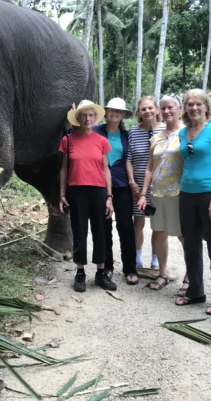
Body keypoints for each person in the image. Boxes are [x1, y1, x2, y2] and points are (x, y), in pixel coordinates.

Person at [175, 89, 211, 316]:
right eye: (189, 104)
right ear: (185, 108)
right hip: (187, 194)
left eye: (198, 103)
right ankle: (196, 291)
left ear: (206, 106)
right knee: (190, 245)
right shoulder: (183, 132)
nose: (194, 108)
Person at [59, 100, 117, 292]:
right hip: (76, 191)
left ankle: (101, 272)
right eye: (83, 115)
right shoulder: (68, 140)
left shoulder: (101, 141)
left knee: (100, 230)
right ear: (77, 118)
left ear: (95, 118)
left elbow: (106, 170)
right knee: (79, 231)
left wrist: (109, 197)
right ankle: (80, 271)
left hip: (98, 190)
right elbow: (64, 168)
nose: (87, 118)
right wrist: (62, 194)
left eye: (91, 115)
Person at [137, 94, 187, 292]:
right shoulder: (156, 137)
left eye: (170, 108)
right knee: (159, 233)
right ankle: (162, 274)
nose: (166, 111)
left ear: (179, 109)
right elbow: (150, 168)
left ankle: (190, 276)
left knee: (183, 235)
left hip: (179, 193)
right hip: (157, 193)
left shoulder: (187, 133)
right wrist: (143, 194)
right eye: (163, 108)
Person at [93, 98, 139, 285]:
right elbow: (73, 135)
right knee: (104, 228)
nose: (114, 114)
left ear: (123, 116)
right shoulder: (96, 131)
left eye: (118, 112)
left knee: (126, 226)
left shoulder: (126, 135)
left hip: (121, 186)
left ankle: (130, 268)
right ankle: (108, 267)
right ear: (106, 112)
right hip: (99, 184)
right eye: (111, 110)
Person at [126, 97, 163, 269]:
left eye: (150, 108)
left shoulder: (166, 130)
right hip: (138, 185)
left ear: (157, 110)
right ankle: (137, 257)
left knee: (158, 224)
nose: (147, 111)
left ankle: (156, 258)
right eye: (143, 109)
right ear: (139, 113)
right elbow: (129, 159)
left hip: (160, 186)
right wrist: (132, 182)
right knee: (138, 222)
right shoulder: (133, 131)